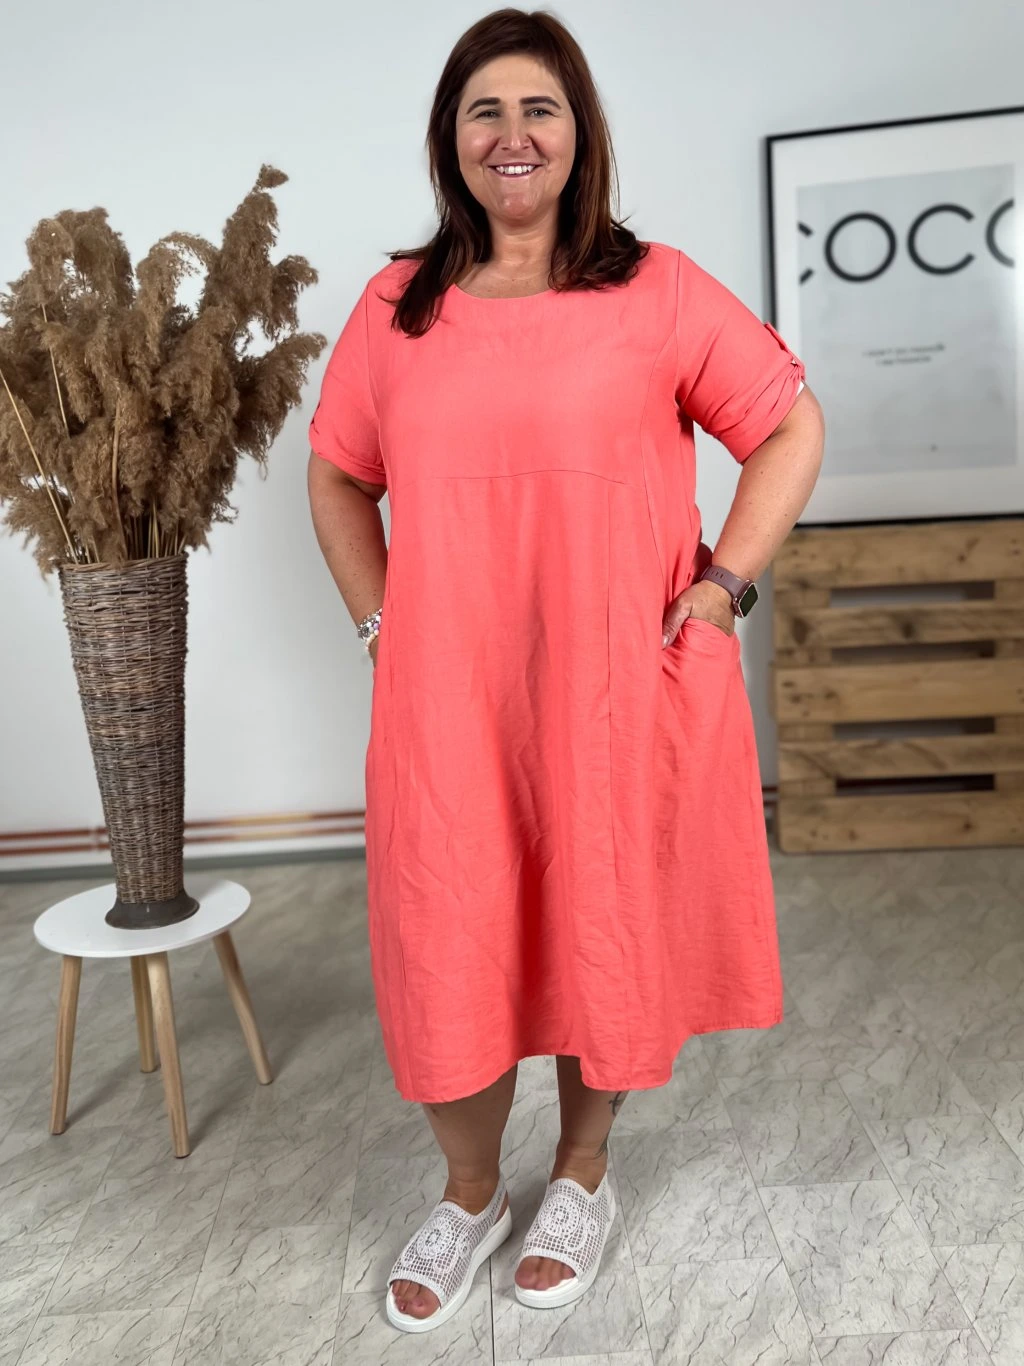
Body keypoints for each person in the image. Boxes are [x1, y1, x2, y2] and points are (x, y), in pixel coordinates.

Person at [307, 6, 825, 1336]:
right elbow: (338, 472)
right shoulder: (395, 307)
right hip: (447, 703)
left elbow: (789, 424)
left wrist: (721, 589)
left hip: (609, 695)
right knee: (448, 932)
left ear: (579, 131)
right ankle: (471, 1191)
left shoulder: (656, 292)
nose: (513, 134)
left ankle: (582, 1172)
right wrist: (380, 626)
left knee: (603, 924)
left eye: (538, 108)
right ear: (451, 139)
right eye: (484, 110)